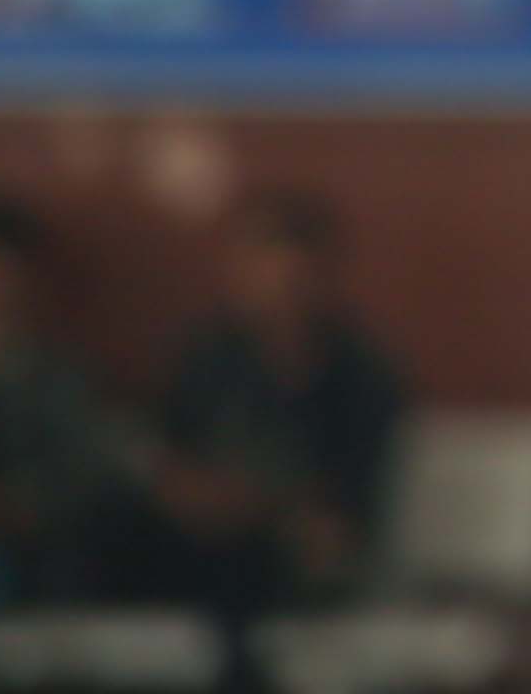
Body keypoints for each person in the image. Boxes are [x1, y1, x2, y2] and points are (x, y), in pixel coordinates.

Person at [141, 195, 404, 640]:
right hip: (197, 543)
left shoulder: (363, 373)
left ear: (323, 276)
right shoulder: (203, 359)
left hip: (295, 551)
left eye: (296, 278)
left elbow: (345, 505)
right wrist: (225, 502)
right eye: (262, 271)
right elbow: (170, 472)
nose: (281, 293)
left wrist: (268, 511)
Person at [0, 205, 129, 607]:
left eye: (2, 276)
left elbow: (83, 476)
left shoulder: (59, 378)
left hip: (40, 557)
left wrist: (7, 506)